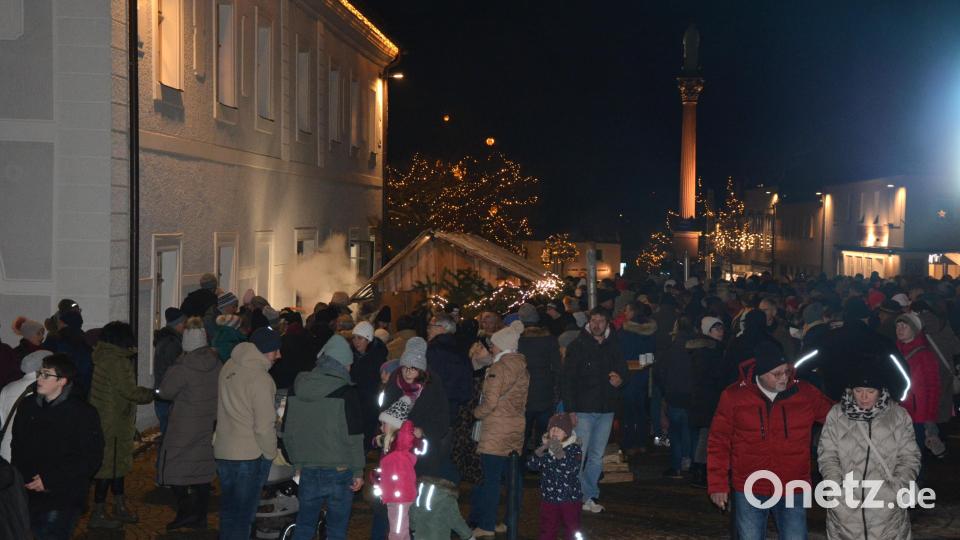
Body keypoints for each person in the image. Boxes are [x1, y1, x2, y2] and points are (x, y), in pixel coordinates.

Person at [707, 341, 833, 540]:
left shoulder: (805, 394)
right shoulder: (734, 397)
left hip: (792, 485)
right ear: (760, 373)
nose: (784, 378)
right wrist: (717, 484)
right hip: (750, 486)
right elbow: (718, 441)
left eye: (787, 371)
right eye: (777, 374)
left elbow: (837, 418)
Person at [817, 360, 920, 540]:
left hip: (888, 512)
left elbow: (909, 457)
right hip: (845, 512)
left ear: (881, 391)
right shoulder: (836, 415)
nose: (864, 397)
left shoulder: (898, 416)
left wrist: (897, 488)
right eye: (858, 391)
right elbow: (828, 455)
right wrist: (836, 489)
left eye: (870, 391)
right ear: (850, 390)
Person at [11, 353, 104, 539]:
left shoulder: (82, 413)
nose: (39, 379)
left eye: (46, 375)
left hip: (63, 495)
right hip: (28, 493)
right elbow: (17, 444)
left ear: (62, 381)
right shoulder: (28, 405)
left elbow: (90, 458)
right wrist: (21, 478)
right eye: (39, 373)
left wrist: (49, 479)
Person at [282, 334, 365, 540]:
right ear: (343, 364)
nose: (350, 369)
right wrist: (358, 470)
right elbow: (354, 436)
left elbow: (287, 432)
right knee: (336, 530)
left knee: (304, 525)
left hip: (308, 469)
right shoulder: (346, 392)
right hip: (340, 470)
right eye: (348, 365)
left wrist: (297, 463)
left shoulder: (297, 388)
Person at [375, 337, 450, 540]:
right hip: (396, 455)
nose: (408, 373)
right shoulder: (394, 382)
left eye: (413, 369)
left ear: (422, 370)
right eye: (405, 367)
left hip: (423, 456)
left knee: (421, 501)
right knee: (391, 502)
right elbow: (383, 414)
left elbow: (443, 419)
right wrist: (389, 433)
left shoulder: (433, 385)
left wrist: (424, 431)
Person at [214, 327, 282, 540]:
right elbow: (264, 426)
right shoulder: (261, 379)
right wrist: (271, 454)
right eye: (275, 350)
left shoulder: (228, 366)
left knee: (228, 512)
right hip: (248, 455)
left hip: (224, 449)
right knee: (244, 517)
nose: (279, 356)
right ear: (264, 351)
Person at [88, 321, 156, 528]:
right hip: (114, 424)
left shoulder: (104, 357)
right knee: (109, 468)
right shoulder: (117, 361)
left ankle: (119, 506)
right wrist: (153, 393)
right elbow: (129, 391)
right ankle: (98, 513)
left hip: (107, 419)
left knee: (115, 467)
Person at [156, 317, 221, 530]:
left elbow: (166, 391)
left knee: (175, 469)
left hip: (184, 426)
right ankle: (200, 516)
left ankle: (185, 512)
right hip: (208, 422)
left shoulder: (182, 366)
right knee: (202, 471)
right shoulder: (216, 363)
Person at [560, 308, 626, 513]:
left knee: (597, 456)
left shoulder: (614, 345)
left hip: (606, 409)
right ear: (588, 322)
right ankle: (575, 494)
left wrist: (620, 380)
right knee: (579, 454)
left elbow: (622, 370)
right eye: (594, 320)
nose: (597, 324)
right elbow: (567, 380)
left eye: (601, 320)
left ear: (607, 323)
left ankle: (589, 494)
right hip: (583, 409)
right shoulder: (578, 346)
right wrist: (570, 409)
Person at [469, 321, 529, 537]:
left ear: (502, 346)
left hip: (496, 430)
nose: (491, 348)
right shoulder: (520, 365)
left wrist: (477, 412)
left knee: (491, 479)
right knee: (513, 477)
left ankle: (486, 524)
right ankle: (510, 520)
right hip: (515, 427)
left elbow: (491, 401)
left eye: (494, 345)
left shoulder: (499, 367)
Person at [894, 312, 943, 478]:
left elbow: (933, 388)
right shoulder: (894, 352)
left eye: (904, 326)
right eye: (898, 326)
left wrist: (929, 417)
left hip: (917, 416)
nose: (899, 329)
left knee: (914, 456)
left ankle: (914, 493)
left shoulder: (925, 355)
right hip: (896, 414)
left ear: (914, 329)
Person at [527, 413, 583, 540]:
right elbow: (532, 466)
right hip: (549, 498)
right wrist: (541, 450)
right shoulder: (547, 448)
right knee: (548, 527)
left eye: (559, 429)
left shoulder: (574, 448)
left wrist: (555, 448)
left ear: (567, 433)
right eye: (552, 429)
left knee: (572, 528)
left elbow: (568, 467)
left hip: (570, 498)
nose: (555, 431)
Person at [516, 303, 562, 454]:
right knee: (542, 436)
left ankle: (519, 473)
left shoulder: (518, 341)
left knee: (522, 436)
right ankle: (541, 469)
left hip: (524, 394)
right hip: (545, 393)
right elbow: (557, 367)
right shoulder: (549, 340)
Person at [686, 316, 726, 488]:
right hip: (708, 398)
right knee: (706, 434)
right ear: (708, 331)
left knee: (703, 434)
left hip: (701, 398)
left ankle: (698, 468)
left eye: (721, 328)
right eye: (717, 329)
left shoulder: (701, 349)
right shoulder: (709, 351)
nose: (721, 332)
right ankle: (699, 470)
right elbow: (712, 376)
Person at [656, 316, 698, 478]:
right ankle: (692, 463)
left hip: (674, 395)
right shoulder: (697, 348)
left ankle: (676, 466)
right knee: (691, 431)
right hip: (692, 397)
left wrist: (665, 389)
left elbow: (660, 372)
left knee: (676, 432)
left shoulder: (671, 349)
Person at [0, 350, 51, 461]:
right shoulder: (45, 390)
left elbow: (2, 421)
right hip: (27, 455)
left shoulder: (7, 388)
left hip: (4, 452)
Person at [427, 313, 474, 424]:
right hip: (453, 406)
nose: (428, 330)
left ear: (441, 328)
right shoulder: (461, 349)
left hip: (434, 405)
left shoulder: (434, 350)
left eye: (430, 326)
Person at [350, 321, 389, 450]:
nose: (356, 341)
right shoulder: (352, 355)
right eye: (354, 338)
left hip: (370, 401)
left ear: (368, 339)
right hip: (355, 400)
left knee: (366, 432)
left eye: (360, 338)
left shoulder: (377, 357)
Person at [153, 307, 185, 440]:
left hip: (162, 394)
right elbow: (174, 371)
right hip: (168, 396)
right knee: (169, 438)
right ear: (178, 324)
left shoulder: (166, 340)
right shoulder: (173, 343)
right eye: (184, 323)